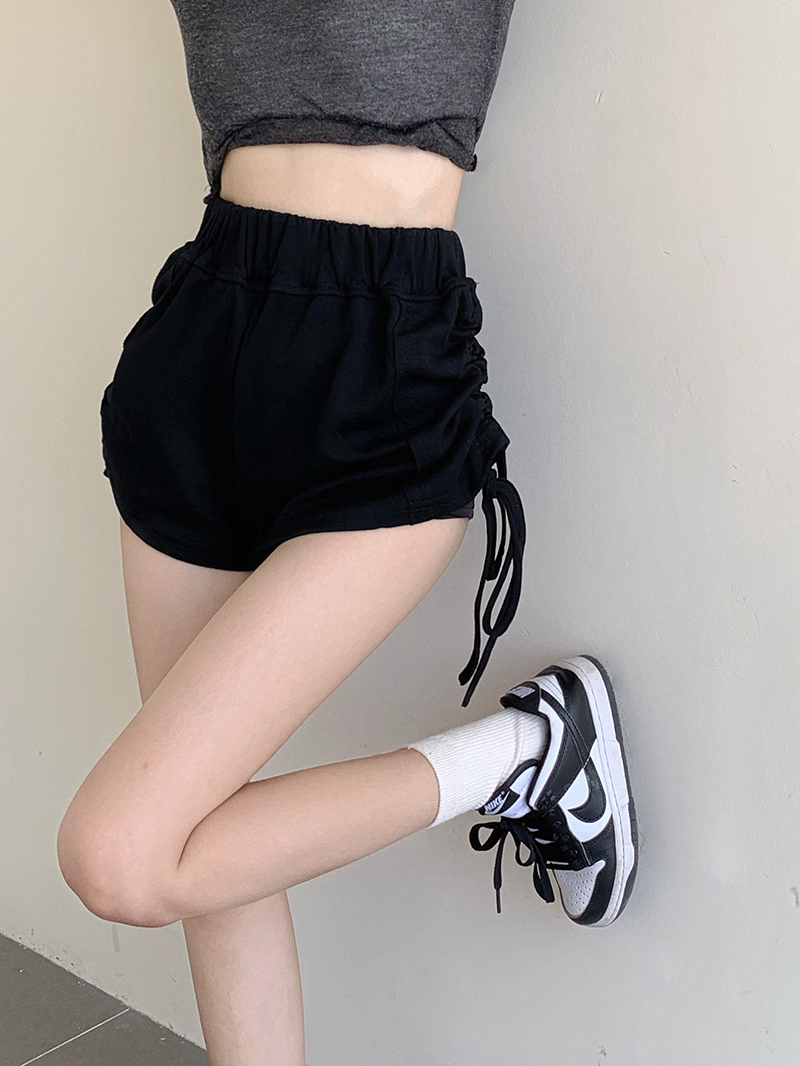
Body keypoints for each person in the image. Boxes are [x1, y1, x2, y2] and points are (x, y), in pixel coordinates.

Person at [56, 2, 638, 1062]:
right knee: (201, 855)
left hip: (381, 373)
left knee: (123, 856)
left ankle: (531, 750)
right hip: (196, 360)